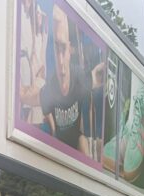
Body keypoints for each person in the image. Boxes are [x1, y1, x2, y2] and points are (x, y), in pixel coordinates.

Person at [40, 5, 104, 155]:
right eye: (57, 50)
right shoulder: (49, 89)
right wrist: (54, 131)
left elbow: (96, 76)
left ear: (70, 49)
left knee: (83, 144)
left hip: (76, 138)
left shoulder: (79, 78)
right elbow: (45, 112)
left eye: (64, 49)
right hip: (58, 142)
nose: (61, 61)